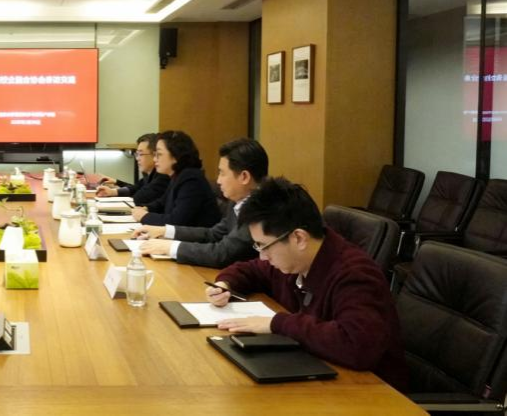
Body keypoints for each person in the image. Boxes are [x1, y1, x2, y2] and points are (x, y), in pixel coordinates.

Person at [205, 177, 408, 391]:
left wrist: (277, 323)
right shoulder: (295, 260)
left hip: (370, 392)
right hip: (319, 374)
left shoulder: (356, 274)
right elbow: (253, 269)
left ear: (299, 238)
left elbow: (356, 344)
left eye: (264, 246)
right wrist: (225, 284)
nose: (263, 256)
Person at [135, 138, 266, 268]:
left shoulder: (261, 209)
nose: (218, 181)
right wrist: (164, 231)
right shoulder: (238, 201)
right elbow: (213, 234)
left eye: (222, 173)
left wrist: (171, 247)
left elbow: (222, 253)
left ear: (244, 177)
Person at [129, 131, 220, 228]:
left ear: (176, 156)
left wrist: (144, 216)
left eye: (159, 154)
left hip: (196, 236)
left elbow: (176, 221)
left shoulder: (191, 180)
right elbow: (161, 203)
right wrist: (146, 209)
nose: (155, 159)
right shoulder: (177, 175)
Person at [95, 132, 169, 206]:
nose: (137, 158)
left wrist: (116, 188)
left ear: (154, 155)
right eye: (137, 154)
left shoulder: (163, 177)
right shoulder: (149, 175)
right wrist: (112, 192)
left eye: (141, 154)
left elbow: (139, 198)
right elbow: (135, 188)